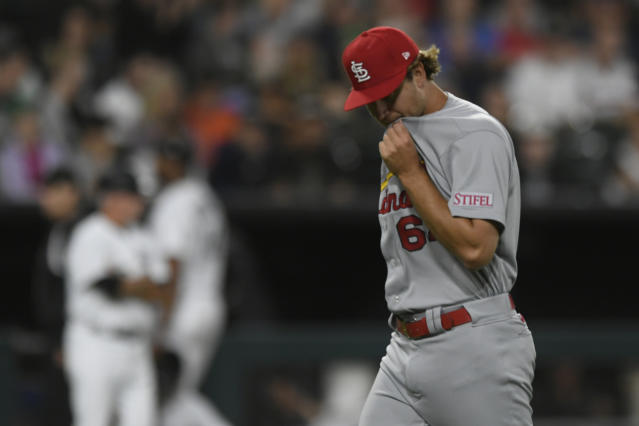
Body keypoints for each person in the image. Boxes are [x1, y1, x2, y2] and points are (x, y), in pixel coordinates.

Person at [341, 26, 535, 425]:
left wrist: (411, 173)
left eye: (387, 96)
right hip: (404, 347)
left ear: (418, 73)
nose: (380, 112)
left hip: (472, 343)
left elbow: (475, 248)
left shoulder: (476, 133)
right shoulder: (399, 135)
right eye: (370, 102)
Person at [63, 169, 169, 426]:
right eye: (131, 197)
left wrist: (129, 283)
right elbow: (107, 286)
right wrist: (134, 285)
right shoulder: (89, 234)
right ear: (111, 198)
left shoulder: (144, 237)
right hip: (97, 343)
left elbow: (162, 287)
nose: (138, 203)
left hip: (137, 346)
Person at [147, 140, 231, 426]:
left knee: (168, 397)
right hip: (209, 304)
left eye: (161, 160)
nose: (157, 167)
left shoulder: (175, 200)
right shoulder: (204, 196)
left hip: (184, 309)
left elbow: (173, 264)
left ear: (173, 164)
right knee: (174, 396)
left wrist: (161, 323)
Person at [32, 167, 83, 426]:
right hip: (59, 338)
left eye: (51, 192)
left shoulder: (84, 232)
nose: (45, 200)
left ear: (71, 193)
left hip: (77, 338)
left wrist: (66, 339)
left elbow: (77, 292)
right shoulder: (58, 230)